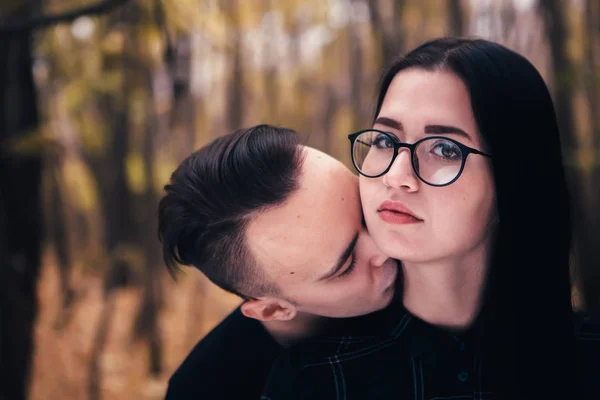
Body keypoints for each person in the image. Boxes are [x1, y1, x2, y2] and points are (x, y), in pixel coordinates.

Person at [260, 37, 588, 399]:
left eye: (445, 149)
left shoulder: (588, 363)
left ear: (514, 178)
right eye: (385, 141)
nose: (397, 175)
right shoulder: (315, 379)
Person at [158, 124, 398, 399]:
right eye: (347, 265)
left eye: (367, 213)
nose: (386, 246)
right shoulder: (204, 389)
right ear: (272, 309)